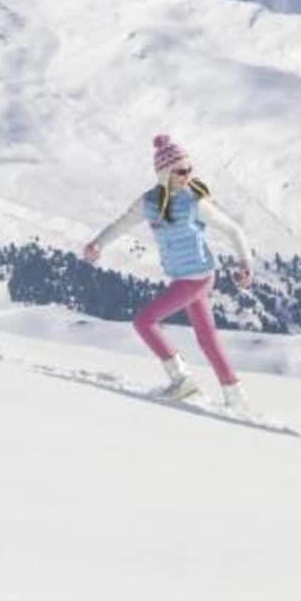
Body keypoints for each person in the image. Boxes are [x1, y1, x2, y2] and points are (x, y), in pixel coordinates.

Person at [83, 134, 254, 411]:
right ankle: (235, 395)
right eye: (180, 171)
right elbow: (122, 224)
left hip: (197, 277)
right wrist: (98, 243)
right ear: (164, 174)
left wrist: (246, 264)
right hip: (185, 277)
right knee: (206, 338)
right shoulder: (149, 203)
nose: (187, 176)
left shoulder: (194, 202)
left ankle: (181, 379)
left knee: (144, 321)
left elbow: (233, 230)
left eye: (189, 169)